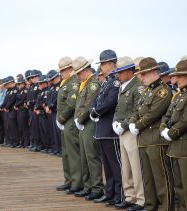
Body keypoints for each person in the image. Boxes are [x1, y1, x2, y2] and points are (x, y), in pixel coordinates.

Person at [129, 57, 174, 211]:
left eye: (144, 74)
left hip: (156, 139)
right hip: (143, 139)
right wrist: (132, 121)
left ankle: (165, 207)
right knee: (147, 177)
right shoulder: (147, 91)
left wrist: (137, 125)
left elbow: (154, 113)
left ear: (154, 72)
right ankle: (150, 205)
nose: (141, 78)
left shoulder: (162, 91)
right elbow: (137, 109)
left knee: (161, 177)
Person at [160, 60, 187, 211]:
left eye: (180, 76)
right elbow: (167, 115)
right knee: (179, 186)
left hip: (186, 147)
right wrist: (164, 128)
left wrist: (171, 133)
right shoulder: (178, 95)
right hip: (174, 147)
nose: (176, 79)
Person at [90, 49, 124, 206]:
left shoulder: (116, 81)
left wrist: (96, 111)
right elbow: (98, 99)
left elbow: (111, 102)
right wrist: (93, 110)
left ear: (111, 63)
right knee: (107, 165)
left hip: (110, 129)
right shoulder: (107, 81)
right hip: (101, 128)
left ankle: (119, 195)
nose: (101, 67)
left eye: (103, 63)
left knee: (115, 164)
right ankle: (109, 193)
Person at [112, 56, 145, 211]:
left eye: (120, 72)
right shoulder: (123, 86)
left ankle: (140, 199)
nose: (118, 75)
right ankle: (129, 196)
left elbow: (137, 110)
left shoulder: (137, 86)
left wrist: (123, 124)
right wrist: (114, 122)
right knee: (126, 166)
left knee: (135, 166)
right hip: (121, 130)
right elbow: (118, 108)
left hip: (131, 130)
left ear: (130, 71)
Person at [72, 57, 104, 200]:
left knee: (92, 157)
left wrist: (79, 119)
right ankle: (88, 186)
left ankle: (97, 188)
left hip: (89, 123)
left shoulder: (93, 84)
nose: (78, 76)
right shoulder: (84, 83)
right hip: (83, 124)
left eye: (79, 73)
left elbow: (88, 105)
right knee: (84, 156)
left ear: (86, 70)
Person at [55, 57, 82, 193]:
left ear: (70, 69)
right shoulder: (65, 82)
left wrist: (61, 118)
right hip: (64, 121)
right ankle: (69, 180)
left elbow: (72, 104)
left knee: (73, 153)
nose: (61, 73)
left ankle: (77, 181)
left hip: (70, 120)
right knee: (65, 153)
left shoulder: (73, 82)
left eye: (63, 70)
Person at [45, 70, 62, 155]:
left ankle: (61, 149)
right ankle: (56, 148)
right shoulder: (51, 87)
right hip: (52, 112)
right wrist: (48, 106)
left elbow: (58, 98)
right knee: (54, 131)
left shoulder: (61, 85)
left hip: (58, 111)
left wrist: (51, 106)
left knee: (59, 131)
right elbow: (48, 98)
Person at [14, 74, 29, 148]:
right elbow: (16, 99)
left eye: (20, 84)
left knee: (24, 126)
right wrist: (16, 105)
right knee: (20, 126)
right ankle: (22, 141)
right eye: (18, 84)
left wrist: (16, 105)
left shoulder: (25, 90)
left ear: (23, 83)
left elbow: (23, 99)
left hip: (23, 110)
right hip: (18, 110)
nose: (19, 85)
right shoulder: (19, 91)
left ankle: (26, 142)